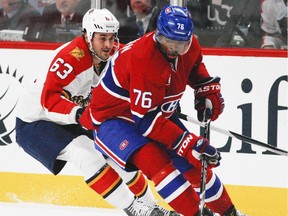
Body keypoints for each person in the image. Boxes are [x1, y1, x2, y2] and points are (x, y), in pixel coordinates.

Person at [79, 5, 247, 216]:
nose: (173, 50)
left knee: (194, 165)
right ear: (157, 35)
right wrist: (188, 143)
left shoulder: (191, 46)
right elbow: (146, 122)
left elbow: (195, 69)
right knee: (156, 162)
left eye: (180, 45)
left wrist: (206, 90)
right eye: (168, 43)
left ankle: (230, 213)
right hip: (114, 119)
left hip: (152, 112)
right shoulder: (144, 59)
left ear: (189, 39)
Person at [15, 8, 178, 216]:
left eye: (111, 38)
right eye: (102, 39)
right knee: (87, 155)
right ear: (87, 36)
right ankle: (134, 208)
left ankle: (152, 207)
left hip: (76, 116)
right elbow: (50, 101)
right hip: (36, 120)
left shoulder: (115, 55)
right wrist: (81, 115)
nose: (108, 45)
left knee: (118, 153)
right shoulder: (70, 59)